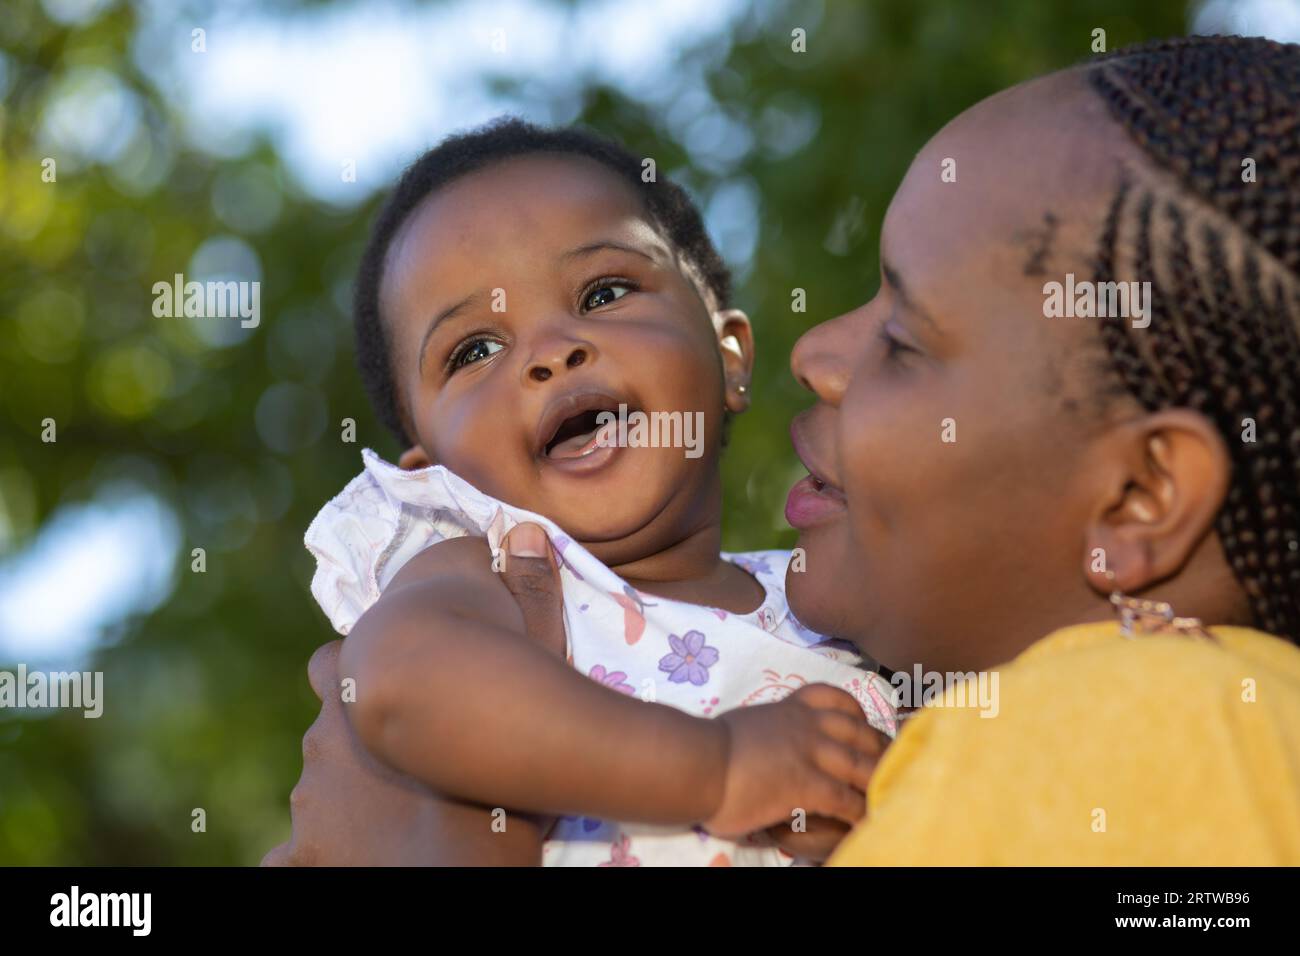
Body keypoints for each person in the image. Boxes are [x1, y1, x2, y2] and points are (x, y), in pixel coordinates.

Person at [299, 119, 894, 866]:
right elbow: (403, 683)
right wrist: (717, 769)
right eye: (475, 349)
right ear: (431, 475)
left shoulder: (832, 607)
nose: (551, 352)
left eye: (604, 292)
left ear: (729, 356)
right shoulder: (497, 578)